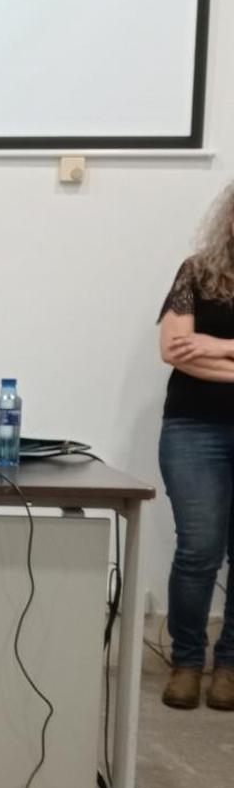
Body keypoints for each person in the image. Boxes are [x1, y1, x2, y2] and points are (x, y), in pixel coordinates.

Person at [157, 181, 234, 710]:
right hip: (193, 428)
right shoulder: (198, 273)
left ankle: (229, 665)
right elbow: (173, 351)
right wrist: (202, 353)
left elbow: (196, 351)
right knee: (198, 550)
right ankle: (186, 660)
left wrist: (217, 344)